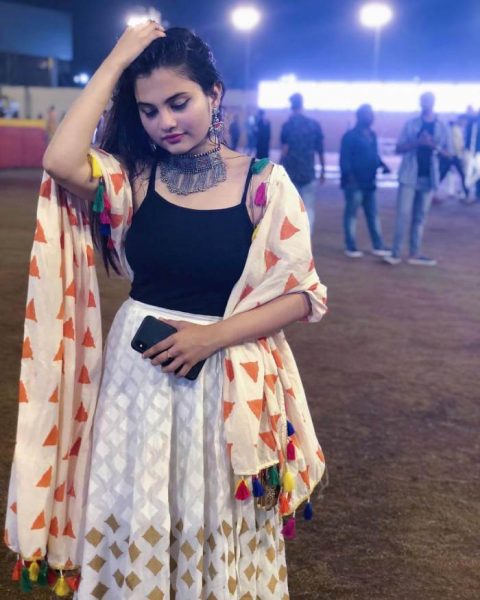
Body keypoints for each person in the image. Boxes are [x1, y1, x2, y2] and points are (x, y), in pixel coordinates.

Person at [5, 25, 328, 599]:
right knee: (139, 503)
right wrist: (117, 60)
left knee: (212, 511)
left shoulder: (265, 184)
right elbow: (60, 159)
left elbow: (303, 294)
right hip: (138, 380)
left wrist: (211, 338)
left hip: (224, 378)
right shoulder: (134, 178)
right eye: (149, 110)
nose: (165, 122)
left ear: (214, 94)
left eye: (180, 102)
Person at [383, 92, 451, 266]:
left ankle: (415, 253)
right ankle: (395, 253)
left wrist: (433, 145)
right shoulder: (411, 124)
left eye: (428, 101)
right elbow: (398, 148)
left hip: (429, 177)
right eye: (423, 101)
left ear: (433, 102)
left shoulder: (442, 126)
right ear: (420, 103)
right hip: (409, 176)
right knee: (402, 215)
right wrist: (417, 142)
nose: (425, 104)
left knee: (420, 217)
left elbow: (449, 154)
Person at [339, 104, 390, 258]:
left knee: (373, 215)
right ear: (359, 116)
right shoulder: (350, 136)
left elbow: (374, 154)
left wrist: (382, 164)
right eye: (368, 114)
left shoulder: (372, 135)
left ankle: (378, 245)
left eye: (372, 114)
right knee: (351, 215)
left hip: (370, 183)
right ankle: (351, 246)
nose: (371, 117)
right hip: (355, 184)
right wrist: (350, 178)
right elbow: (344, 159)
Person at [281, 93, 325, 235]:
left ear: (291, 106)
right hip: (308, 173)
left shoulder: (287, 126)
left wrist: (278, 170)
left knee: (291, 208)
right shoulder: (314, 125)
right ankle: (306, 238)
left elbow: (285, 150)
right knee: (308, 209)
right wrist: (323, 171)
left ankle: (292, 239)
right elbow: (320, 150)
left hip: (291, 173)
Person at [464, 108, 480, 202]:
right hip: (473, 152)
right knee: (470, 173)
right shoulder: (474, 122)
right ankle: (468, 192)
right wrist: (472, 151)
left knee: (474, 173)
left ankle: (473, 193)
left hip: (475, 152)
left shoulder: (473, 122)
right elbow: (472, 138)